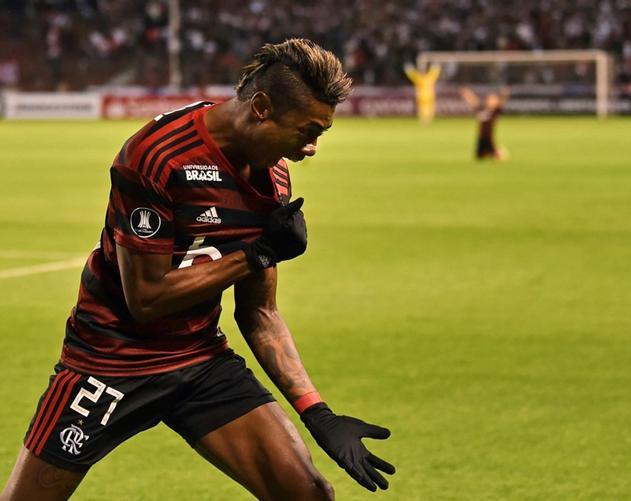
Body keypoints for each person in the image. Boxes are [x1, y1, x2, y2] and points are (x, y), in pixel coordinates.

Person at [1, 38, 394, 501]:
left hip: (200, 361)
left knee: (308, 494)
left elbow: (260, 314)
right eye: (307, 131)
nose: (310, 149)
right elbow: (146, 301)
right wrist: (255, 254)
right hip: (109, 361)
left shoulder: (274, 177)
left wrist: (318, 414)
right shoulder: (157, 157)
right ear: (262, 108)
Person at [460, 86, 510, 160]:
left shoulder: (495, 111)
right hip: (480, 137)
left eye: (493, 100)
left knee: (496, 157)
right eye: (489, 99)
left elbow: (501, 103)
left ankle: (499, 151)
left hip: (489, 137)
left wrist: (504, 95)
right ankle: (489, 152)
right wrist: (468, 95)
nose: (490, 101)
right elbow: (474, 102)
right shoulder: (482, 109)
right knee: (479, 157)